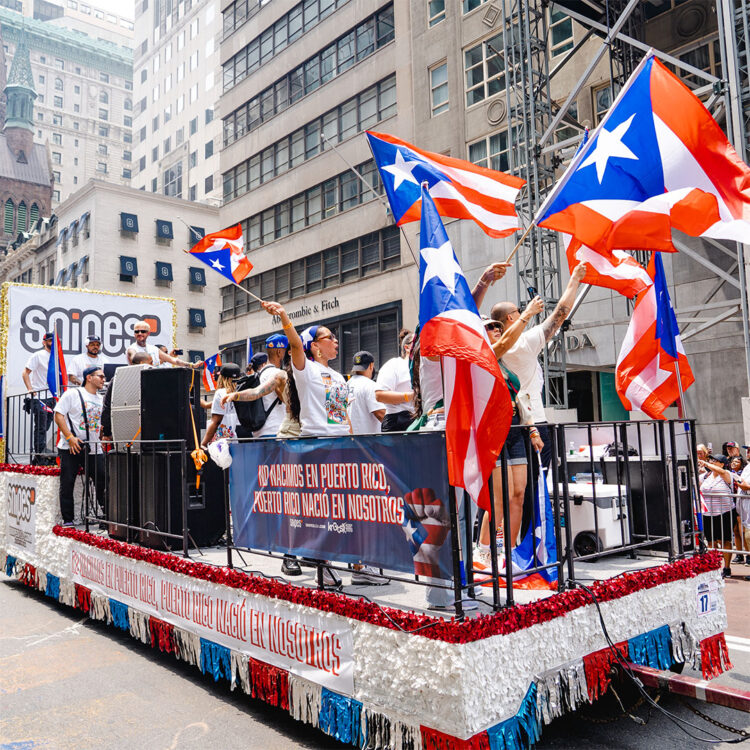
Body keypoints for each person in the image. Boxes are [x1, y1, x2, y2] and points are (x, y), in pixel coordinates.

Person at [492, 262, 588, 467]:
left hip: (512, 424)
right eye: (517, 311)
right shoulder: (521, 344)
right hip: (533, 420)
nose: (520, 312)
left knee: (521, 488)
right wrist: (574, 281)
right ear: (510, 317)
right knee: (537, 483)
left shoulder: (495, 348)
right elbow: (560, 314)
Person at [475, 302, 545, 569]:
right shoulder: (484, 356)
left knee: (518, 493)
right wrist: (526, 315)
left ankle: (510, 551)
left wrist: (533, 428)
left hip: (515, 431)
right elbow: (502, 345)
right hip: (494, 433)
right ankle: (483, 551)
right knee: (498, 498)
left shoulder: (506, 365)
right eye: (490, 327)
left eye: (497, 326)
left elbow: (519, 399)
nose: (494, 330)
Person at [54, 366, 106, 525]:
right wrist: (70, 437)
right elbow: (58, 415)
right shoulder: (72, 393)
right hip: (71, 446)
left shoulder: (101, 398)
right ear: (89, 377)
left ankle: (107, 515)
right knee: (67, 482)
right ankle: (68, 520)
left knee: (103, 479)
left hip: (94, 446)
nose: (104, 379)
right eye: (100, 376)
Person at [222, 335, 288, 439]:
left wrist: (236, 395)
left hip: (259, 432)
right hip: (275, 431)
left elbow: (255, 392)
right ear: (279, 352)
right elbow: (287, 401)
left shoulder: (260, 374)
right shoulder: (278, 374)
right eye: (285, 350)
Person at [697, 445, 736, 577]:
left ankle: (727, 567)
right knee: (712, 541)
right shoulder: (706, 476)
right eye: (711, 460)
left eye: (715, 461)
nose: (712, 462)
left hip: (724, 513)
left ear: (722, 464)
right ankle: (714, 566)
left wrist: (706, 462)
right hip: (708, 514)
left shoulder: (727, 474)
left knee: (725, 540)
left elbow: (721, 471)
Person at [100, 352, 152, 443]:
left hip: (134, 429)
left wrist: (107, 431)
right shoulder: (118, 378)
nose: (152, 365)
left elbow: (107, 405)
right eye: (150, 362)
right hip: (129, 428)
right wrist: (107, 432)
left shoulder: (117, 378)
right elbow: (108, 404)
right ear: (141, 363)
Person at [22, 332, 56, 463]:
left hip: (52, 397)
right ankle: (39, 455)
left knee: (46, 426)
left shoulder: (57, 357)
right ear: (44, 342)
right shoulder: (38, 355)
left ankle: (38, 454)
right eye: (50, 340)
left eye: (54, 341)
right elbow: (25, 372)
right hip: (39, 397)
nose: (52, 343)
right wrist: (30, 389)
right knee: (40, 427)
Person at [377, 330, 415, 432]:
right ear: (407, 347)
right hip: (397, 420)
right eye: (417, 342)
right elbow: (380, 395)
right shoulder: (395, 364)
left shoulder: (423, 368)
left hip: (417, 419)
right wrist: (410, 396)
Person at [126, 320, 202, 369]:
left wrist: (191, 365)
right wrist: (164, 359)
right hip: (138, 384)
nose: (139, 333)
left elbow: (173, 360)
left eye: (142, 331)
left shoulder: (154, 349)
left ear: (148, 333)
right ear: (134, 334)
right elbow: (137, 362)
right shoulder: (131, 349)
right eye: (136, 331)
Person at [201, 363, 242, 446]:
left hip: (222, 441)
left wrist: (203, 443)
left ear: (222, 378)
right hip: (238, 438)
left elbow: (216, 421)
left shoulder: (221, 393)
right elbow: (207, 405)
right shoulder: (242, 393)